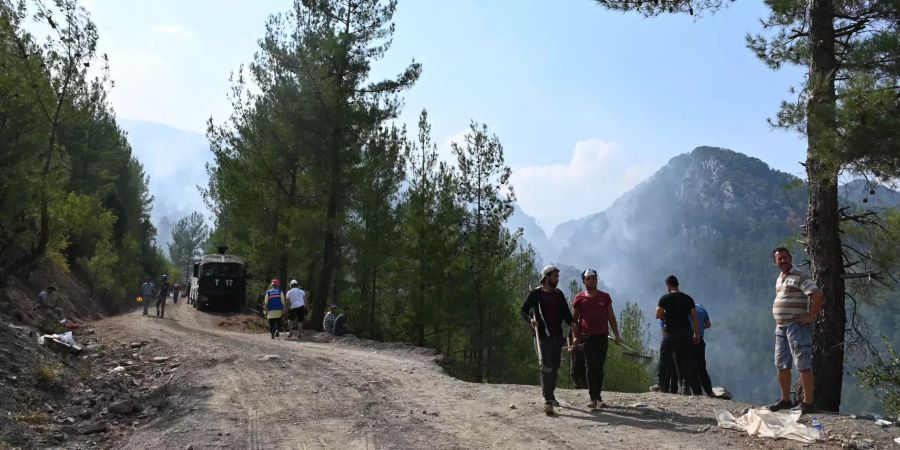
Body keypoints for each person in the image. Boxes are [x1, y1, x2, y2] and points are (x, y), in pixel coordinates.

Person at [766, 247, 823, 414]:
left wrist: (810, 316)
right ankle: (785, 400)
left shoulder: (799, 275)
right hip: (781, 327)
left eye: (785, 257)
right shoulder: (780, 278)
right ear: (775, 262)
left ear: (790, 258)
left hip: (796, 327)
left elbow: (816, 293)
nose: (782, 261)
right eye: (779, 259)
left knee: (803, 364)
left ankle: (808, 403)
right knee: (781, 364)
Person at [520, 264, 573, 415]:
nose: (557, 279)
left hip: (557, 337)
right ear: (547, 277)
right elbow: (523, 311)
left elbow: (566, 313)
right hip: (542, 336)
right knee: (546, 366)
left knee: (555, 367)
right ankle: (547, 399)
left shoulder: (559, 294)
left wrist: (573, 323)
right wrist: (530, 319)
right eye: (555, 276)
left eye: (558, 276)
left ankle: (551, 393)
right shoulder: (535, 294)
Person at [571, 269, 622, 409]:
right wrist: (575, 337)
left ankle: (598, 395)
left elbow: (611, 316)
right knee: (590, 366)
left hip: (602, 336)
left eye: (593, 278)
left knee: (599, 367)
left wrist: (617, 334)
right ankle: (594, 397)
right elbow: (574, 320)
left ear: (596, 280)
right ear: (584, 281)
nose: (591, 281)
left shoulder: (604, 297)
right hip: (587, 337)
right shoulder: (579, 298)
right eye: (588, 279)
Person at [655, 275, 701, 395]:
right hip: (685, 334)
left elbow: (657, 314)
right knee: (685, 360)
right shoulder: (688, 299)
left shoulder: (664, 298)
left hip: (670, 333)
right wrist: (696, 334)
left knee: (664, 359)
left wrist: (666, 316)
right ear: (677, 284)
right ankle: (685, 386)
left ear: (668, 285)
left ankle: (663, 386)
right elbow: (695, 318)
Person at [689, 303, 714, 396]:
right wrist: (700, 328)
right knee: (701, 367)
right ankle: (709, 391)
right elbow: (708, 324)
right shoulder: (703, 310)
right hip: (700, 339)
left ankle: (697, 392)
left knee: (691, 367)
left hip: (689, 339)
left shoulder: (687, 309)